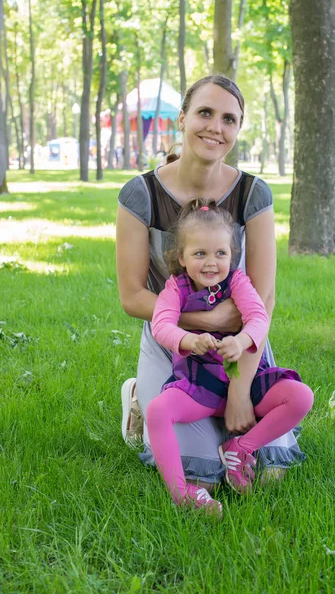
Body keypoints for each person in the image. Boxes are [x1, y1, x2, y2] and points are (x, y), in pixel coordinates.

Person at [116, 74, 308, 493]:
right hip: (175, 336)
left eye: (229, 119)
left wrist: (241, 392)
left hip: (240, 339)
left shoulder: (253, 194)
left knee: (271, 475)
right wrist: (202, 318)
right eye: (205, 113)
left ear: (237, 130)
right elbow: (131, 296)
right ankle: (140, 397)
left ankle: (232, 415)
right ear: (183, 118)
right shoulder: (141, 194)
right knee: (202, 472)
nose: (215, 128)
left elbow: (264, 296)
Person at [146, 200, 314, 515]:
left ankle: (240, 448)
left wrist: (242, 340)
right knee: (157, 411)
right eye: (200, 254)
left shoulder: (237, 281)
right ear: (181, 257)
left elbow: (259, 317)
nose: (211, 263)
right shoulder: (176, 288)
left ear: (231, 255)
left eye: (220, 253)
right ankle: (183, 493)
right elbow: (161, 325)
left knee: (301, 396)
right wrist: (189, 339)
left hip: (245, 383)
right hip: (200, 387)